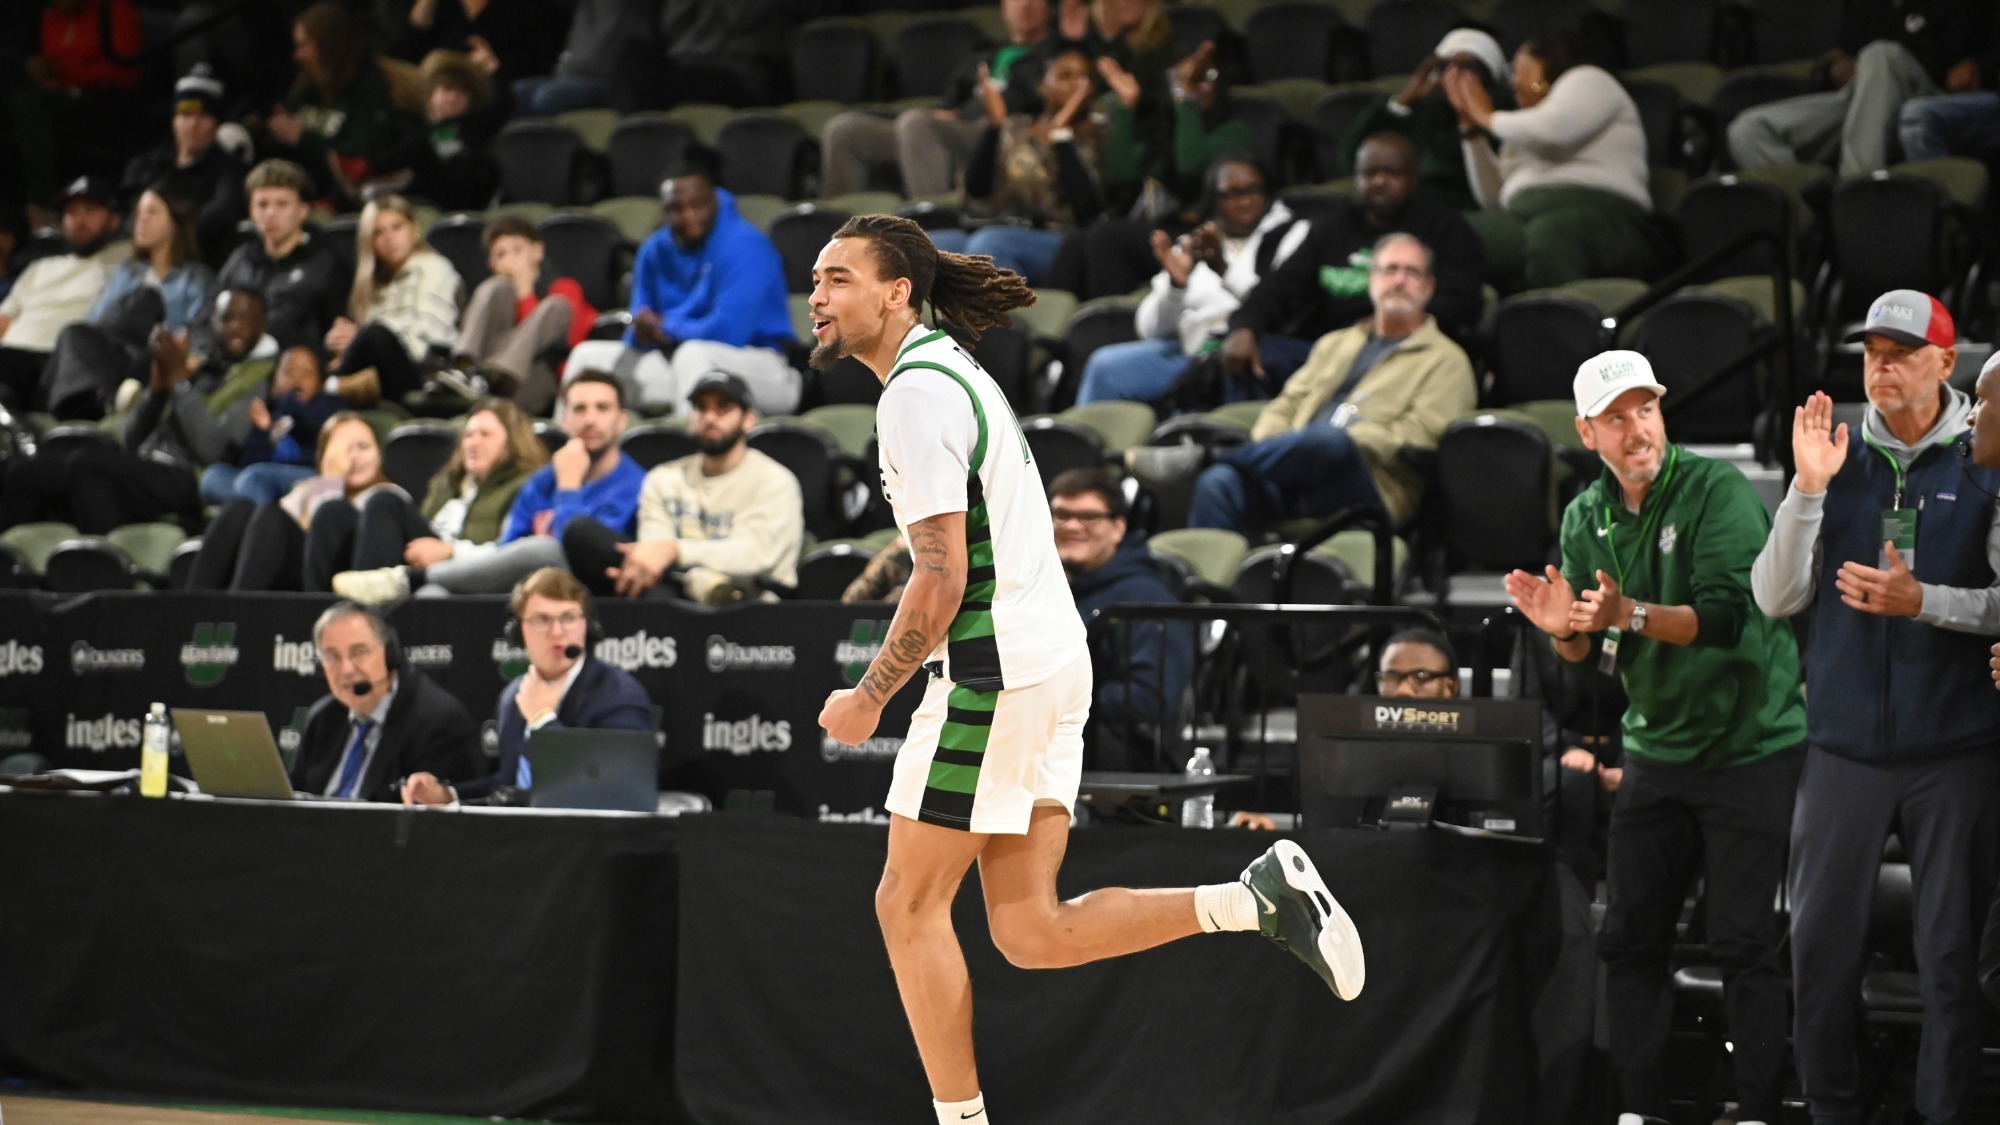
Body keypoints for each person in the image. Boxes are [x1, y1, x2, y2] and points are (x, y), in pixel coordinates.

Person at [808, 213, 1364, 1125]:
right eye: (815, 280)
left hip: (994, 673)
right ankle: (1251, 900)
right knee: (1029, 929)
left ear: (897, 291)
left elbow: (941, 577)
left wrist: (871, 696)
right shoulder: (952, 372)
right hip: (1050, 662)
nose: (818, 297)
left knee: (906, 905)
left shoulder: (916, 392)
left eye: (838, 278)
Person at [1506, 350, 1806, 1125]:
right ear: (1586, 432)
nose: (1636, 429)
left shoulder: (1716, 489)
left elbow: (1728, 618)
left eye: (1646, 409)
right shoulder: (1584, 517)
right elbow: (1583, 649)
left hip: (1750, 744)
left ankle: (1758, 1111)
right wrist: (1563, 630)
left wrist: (1625, 613)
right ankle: (1641, 1111)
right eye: (1616, 417)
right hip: (1657, 751)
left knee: (1743, 941)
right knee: (1628, 941)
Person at [1751, 291, 2000, 1125]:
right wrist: (1806, 489)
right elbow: (1775, 595)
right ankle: (1832, 1107)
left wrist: (1923, 600)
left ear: (1946, 359)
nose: (1882, 367)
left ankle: (1944, 1112)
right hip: (1843, 750)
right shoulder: (1837, 453)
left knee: (1950, 960)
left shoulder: (1987, 450)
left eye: (1901, 352)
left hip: (1955, 750)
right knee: (1819, 953)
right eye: (1871, 353)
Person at [1186, 232, 1476, 536]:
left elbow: (1421, 437)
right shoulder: (1335, 343)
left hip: (1368, 484)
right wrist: (1284, 446)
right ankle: (1209, 560)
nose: (1400, 280)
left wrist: (1349, 440)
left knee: (1329, 441)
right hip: (1292, 471)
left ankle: (1207, 457)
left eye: (1412, 272)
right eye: (1390, 270)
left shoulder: (1446, 360)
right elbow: (1286, 405)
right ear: (1371, 280)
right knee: (1219, 482)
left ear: (1429, 287)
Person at [1218, 133, 1484, 391]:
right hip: (1331, 353)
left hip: (1407, 352)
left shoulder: (1445, 229)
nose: (1379, 181)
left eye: (1392, 173)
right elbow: (1279, 287)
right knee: (1254, 353)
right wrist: (1244, 328)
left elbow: (1463, 302)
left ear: (1414, 178)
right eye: (1369, 173)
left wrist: (1385, 325)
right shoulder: (1334, 228)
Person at [346, 371, 642, 601]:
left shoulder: (635, 484)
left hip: (592, 597)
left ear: (621, 420)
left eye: (602, 408)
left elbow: (578, 555)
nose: (590, 419)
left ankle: (407, 580)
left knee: (545, 549)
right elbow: (506, 551)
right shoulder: (542, 480)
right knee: (432, 596)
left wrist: (569, 487)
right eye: (579, 409)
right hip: (519, 592)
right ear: (564, 419)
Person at [562, 156, 797, 416]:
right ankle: (563, 442)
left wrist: (665, 327)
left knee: (692, 355)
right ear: (664, 210)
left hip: (764, 368)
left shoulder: (747, 245)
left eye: (698, 205)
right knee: (587, 357)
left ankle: (686, 442)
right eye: (677, 208)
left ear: (714, 200)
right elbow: (638, 325)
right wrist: (642, 331)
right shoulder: (653, 250)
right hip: (679, 362)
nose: (689, 215)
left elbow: (728, 332)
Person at [402, 567, 652, 806]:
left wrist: (542, 720)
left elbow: (613, 791)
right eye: (542, 619)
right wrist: (448, 796)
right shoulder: (514, 696)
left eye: (568, 618)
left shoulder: (619, 696)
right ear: (518, 632)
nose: (557, 632)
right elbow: (510, 784)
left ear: (588, 627)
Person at [1076, 158, 1307, 407]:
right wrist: (1176, 287)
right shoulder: (1195, 244)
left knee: (1201, 386)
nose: (1245, 201)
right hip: (1190, 350)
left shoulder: (1291, 235)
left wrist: (1223, 270)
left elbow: (1276, 305)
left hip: (1250, 351)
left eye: (1253, 190)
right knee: (1106, 366)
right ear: (1214, 198)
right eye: (1232, 194)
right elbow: (1149, 330)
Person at [1444, 30, 1664, 288]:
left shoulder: (1590, 79)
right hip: (1523, 219)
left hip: (1604, 217)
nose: (1513, 81)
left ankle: (1562, 313)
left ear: (1543, 63)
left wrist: (1486, 116)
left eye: (1518, 69)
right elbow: (1493, 197)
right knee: (1449, 232)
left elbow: (1554, 131)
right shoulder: (1524, 124)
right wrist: (1471, 131)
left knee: (1551, 235)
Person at [562, 372, 803, 605]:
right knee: (581, 533)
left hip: (752, 603)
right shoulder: (663, 478)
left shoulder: (775, 481)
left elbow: (755, 556)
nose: (710, 417)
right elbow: (653, 557)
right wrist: (682, 569)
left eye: (723, 407)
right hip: (677, 595)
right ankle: (704, 588)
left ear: (748, 419)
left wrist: (675, 550)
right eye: (701, 407)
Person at [927, 41, 1121, 287]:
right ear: (1043, 86)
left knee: (990, 245)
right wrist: (994, 127)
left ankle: (1007, 312)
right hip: (997, 228)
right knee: (921, 247)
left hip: (1064, 242)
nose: (1076, 85)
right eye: (1065, 76)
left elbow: (1086, 211)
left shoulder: (1098, 134)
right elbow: (977, 190)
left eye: (1085, 78)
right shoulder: (1016, 128)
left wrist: (1061, 135)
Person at [820, 0, 1054, 200]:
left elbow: (1044, 102)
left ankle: (934, 224)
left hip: (1005, 133)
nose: (1025, 5)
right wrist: (947, 112)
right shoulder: (985, 53)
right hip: (957, 127)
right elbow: (954, 96)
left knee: (917, 123)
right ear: (1003, 8)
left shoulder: (1057, 57)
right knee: (845, 130)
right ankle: (839, 232)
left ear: (1049, 7)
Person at [1730, 0, 1991, 175]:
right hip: (1867, 100)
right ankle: (1816, 220)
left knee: (1881, 54)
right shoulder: (1873, 5)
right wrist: (1834, 67)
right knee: (1749, 131)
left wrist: (1979, 66)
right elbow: (1842, 53)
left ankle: (1858, 192)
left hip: (1932, 99)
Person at [327, 397, 543, 604]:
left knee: (385, 501)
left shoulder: (526, 486)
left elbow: (511, 555)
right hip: (422, 558)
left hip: (467, 570)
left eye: (485, 434)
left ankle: (364, 614)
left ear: (512, 441)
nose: (473, 442)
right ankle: (316, 612)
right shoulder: (446, 482)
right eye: (468, 435)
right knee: (332, 513)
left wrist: (450, 552)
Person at [1050, 468, 1193, 770]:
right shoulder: (1042, 589)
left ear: (1118, 528)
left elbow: (1150, 699)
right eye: (1061, 515)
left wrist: (1050, 699)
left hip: (1123, 759)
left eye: (1089, 516)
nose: (1072, 526)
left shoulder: (1146, 598)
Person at [40, 186, 216, 419]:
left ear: (175, 222)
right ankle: (97, 403)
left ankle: (104, 400)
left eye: (152, 212)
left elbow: (197, 333)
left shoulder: (195, 277)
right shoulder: (127, 271)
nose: (141, 220)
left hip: (152, 357)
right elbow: (97, 322)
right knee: (73, 333)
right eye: (139, 213)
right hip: (113, 353)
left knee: (146, 299)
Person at [189, 411, 406, 591]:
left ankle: (237, 610)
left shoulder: (388, 495)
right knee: (239, 508)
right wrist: (327, 483)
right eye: (343, 450)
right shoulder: (312, 487)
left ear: (380, 455)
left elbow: (328, 530)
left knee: (271, 516)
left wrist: (334, 483)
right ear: (323, 459)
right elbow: (274, 534)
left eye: (364, 447)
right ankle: (191, 608)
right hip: (294, 567)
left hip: (334, 576)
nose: (354, 457)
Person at [292, 601, 480, 801]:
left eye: (359, 652)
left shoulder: (436, 722)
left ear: (389, 655)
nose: (345, 670)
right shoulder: (322, 719)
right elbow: (291, 800)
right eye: (332, 657)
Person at [1340, 29, 1509, 213]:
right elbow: (1351, 158)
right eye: (1445, 67)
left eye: (1468, 69)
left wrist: (1471, 119)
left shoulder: (1502, 122)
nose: (1453, 77)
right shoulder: (1416, 113)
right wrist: (1402, 102)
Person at [264, 3, 418, 205]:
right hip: (304, 196)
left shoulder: (368, 88)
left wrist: (304, 139)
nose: (298, 55)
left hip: (357, 200)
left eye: (304, 46)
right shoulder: (305, 87)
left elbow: (363, 154)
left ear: (328, 45)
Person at [323, 193, 462, 408]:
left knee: (375, 334)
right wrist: (344, 345)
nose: (389, 238)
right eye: (378, 232)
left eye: (397, 227)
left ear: (414, 228)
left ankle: (323, 390)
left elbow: (429, 338)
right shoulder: (376, 284)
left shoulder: (434, 267)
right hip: (383, 373)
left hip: (424, 373)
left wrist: (359, 341)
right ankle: (326, 389)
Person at [0, 176, 127, 410]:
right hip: (11, 359)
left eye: (90, 210)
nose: (79, 220)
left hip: (60, 363)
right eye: (71, 212)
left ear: (114, 220)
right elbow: (3, 320)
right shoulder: (40, 267)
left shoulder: (126, 263)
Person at [447, 214, 594, 414]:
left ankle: (498, 375)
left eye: (517, 250)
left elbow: (572, 340)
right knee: (494, 287)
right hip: (483, 371)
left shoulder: (564, 288)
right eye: (501, 254)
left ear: (538, 251)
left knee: (556, 305)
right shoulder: (492, 294)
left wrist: (525, 291)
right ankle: (463, 367)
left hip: (534, 376)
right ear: (492, 264)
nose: (511, 260)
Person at [13, 0, 142, 226]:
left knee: (31, 105)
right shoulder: (51, 18)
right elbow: (51, 71)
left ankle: (42, 202)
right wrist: (40, 69)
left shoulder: (114, 9)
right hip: (62, 97)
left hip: (102, 100)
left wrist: (66, 74)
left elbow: (125, 73)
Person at [119, 65, 248, 265]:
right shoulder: (148, 166)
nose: (192, 125)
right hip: (144, 262)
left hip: (201, 261)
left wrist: (172, 235)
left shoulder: (230, 169)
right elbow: (129, 216)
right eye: (185, 115)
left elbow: (224, 211)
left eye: (203, 116)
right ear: (174, 121)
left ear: (216, 124)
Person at [213, 160, 347, 351]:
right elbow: (212, 313)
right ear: (251, 211)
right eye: (262, 205)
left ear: (303, 210)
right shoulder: (241, 260)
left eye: (282, 204)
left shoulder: (326, 263)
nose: (270, 213)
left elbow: (338, 330)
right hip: (237, 360)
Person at [198, 344, 344, 506]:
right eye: (289, 372)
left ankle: (264, 516)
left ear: (319, 383)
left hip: (312, 478)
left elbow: (313, 423)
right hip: (260, 481)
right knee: (213, 475)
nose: (297, 379)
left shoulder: (330, 406)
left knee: (254, 478)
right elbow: (249, 464)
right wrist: (264, 431)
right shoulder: (269, 415)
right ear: (274, 382)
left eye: (306, 373)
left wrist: (287, 401)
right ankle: (267, 508)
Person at [370, 52, 504, 214]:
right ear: (430, 95)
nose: (453, 97)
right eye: (447, 89)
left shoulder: (474, 128)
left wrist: (495, 71)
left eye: (462, 92)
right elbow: (391, 161)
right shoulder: (411, 128)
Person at [509, 0, 658, 115]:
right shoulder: (584, 6)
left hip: (608, 83)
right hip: (566, 77)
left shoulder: (631, 8)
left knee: (548, 97)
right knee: (513, 95)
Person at [394, 0, 566, 92]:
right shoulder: (445, 7)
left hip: (495, 95)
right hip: (435, 93)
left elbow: (542, 67)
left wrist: (494, 69)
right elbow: (406, 56)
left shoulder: (528, 7)